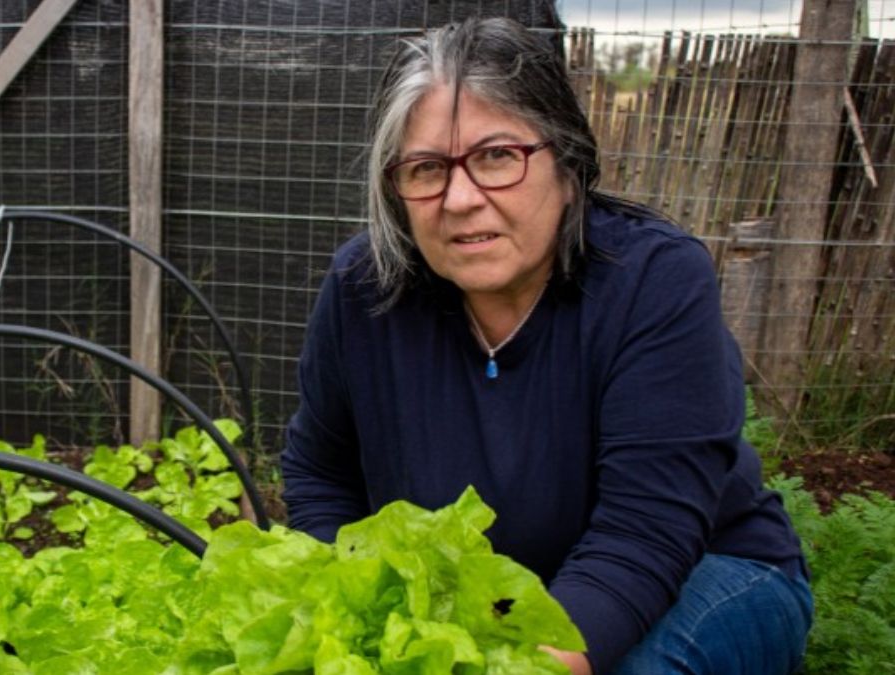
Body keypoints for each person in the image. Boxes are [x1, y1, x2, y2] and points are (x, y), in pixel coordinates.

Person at [280, 16, 812, 675]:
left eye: (497, 156)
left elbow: (642, 537)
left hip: (704, 567)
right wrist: (368, 611)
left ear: (567, 163)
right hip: (487, 598)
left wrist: (525, 664)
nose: (461, 198)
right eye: (425, 169)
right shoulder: (364, 290)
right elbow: (321, 475)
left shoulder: (653, 281)